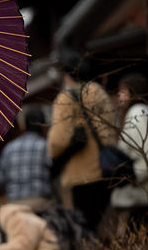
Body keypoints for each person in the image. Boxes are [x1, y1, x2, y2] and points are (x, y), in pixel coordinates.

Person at [47, 48, 116, 229]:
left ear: (66, 75)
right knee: (103, 229)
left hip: (80, 175)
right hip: (106, 169)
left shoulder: (66, 98)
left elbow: (57, 141)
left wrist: (53, 154)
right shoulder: (100, 92)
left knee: (83, 233)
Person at [110, 72, 148, 217]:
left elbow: (147, 153)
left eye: (123, 91)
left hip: (140, 191)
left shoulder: (138, 113)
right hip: (146, 189)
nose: (119, 95)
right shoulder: (145, 112)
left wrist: (132, 177)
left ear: (134, 92)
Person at [0, 105, 51, 210]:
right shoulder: (45, 146)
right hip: (40, 203)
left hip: (14, 204)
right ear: (43, 126)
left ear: (23, 126)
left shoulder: (9, 148)